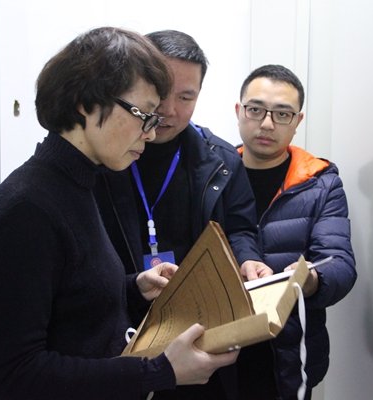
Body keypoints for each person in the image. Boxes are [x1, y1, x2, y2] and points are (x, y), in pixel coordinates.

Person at [0, 27, 238, 400]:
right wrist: (158, 371)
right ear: (85, 102)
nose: (151, 133)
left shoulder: (78, 185)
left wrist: (132, 289)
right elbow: (16, 376)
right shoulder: (27, 210)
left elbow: (71, 308)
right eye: (144, 114)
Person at [93, 29, 271, 400]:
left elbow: (241, 229)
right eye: (160, 93)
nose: (169, 110)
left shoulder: (221, 160)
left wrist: (248, 259)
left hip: (199, 331)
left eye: (186, 97)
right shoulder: (101, 159)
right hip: (117, 329)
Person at [235, 65, 357, 400]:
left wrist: (312, 279)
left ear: (297, 121)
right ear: (239, 111)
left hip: (286, 357)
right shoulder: (213, 176)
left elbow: (341, 263)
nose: (267, 124)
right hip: (216, 355)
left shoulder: (321, 184)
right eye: (256, 109)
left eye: (282, 114)